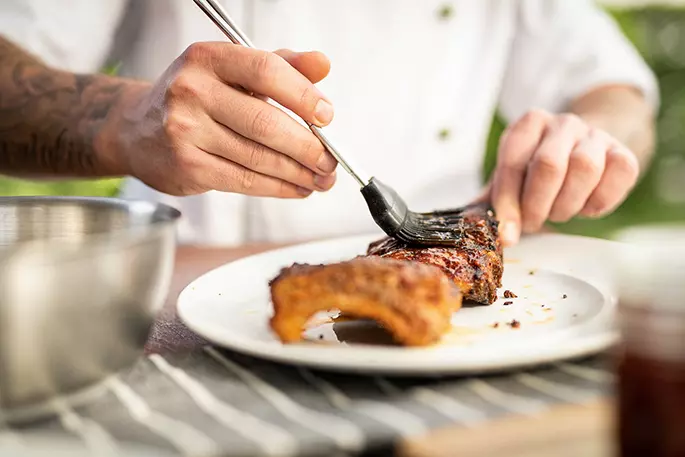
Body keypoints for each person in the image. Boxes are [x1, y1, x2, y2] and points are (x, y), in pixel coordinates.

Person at [0, 0, 657, 247]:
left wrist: (592, 139)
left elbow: (614, 93)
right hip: (186, 303)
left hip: (454, 296)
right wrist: (124, 118)